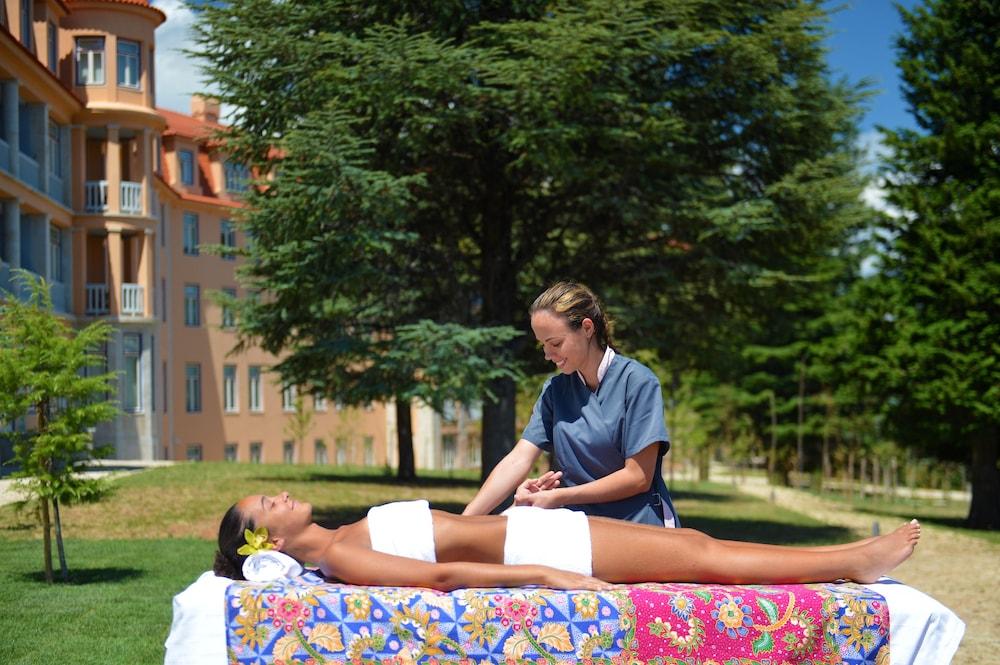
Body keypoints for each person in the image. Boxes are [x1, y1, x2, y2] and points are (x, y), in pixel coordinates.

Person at [214, 490, 920, 591]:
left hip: (534, 525)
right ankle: (853, 562)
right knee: (702, 558)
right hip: (546, 550)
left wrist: (518, 503)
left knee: (698, 540)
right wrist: (546, 576)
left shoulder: (345, 532)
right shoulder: (338, 554)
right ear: (270, 534)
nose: (281, 494)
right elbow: (440, 576)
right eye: (269, 503)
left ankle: (851, 560)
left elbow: (445, 533)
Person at [463, 281, 679, 526]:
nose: (547, 354)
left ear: (587, 328)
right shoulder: (556, 391)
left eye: (555, 343)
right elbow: (518, 459)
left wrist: (560, 496)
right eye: (542, 345)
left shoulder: (637, 382)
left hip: (638, 527)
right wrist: (464, 522)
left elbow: (638, 476)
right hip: (580, 529)